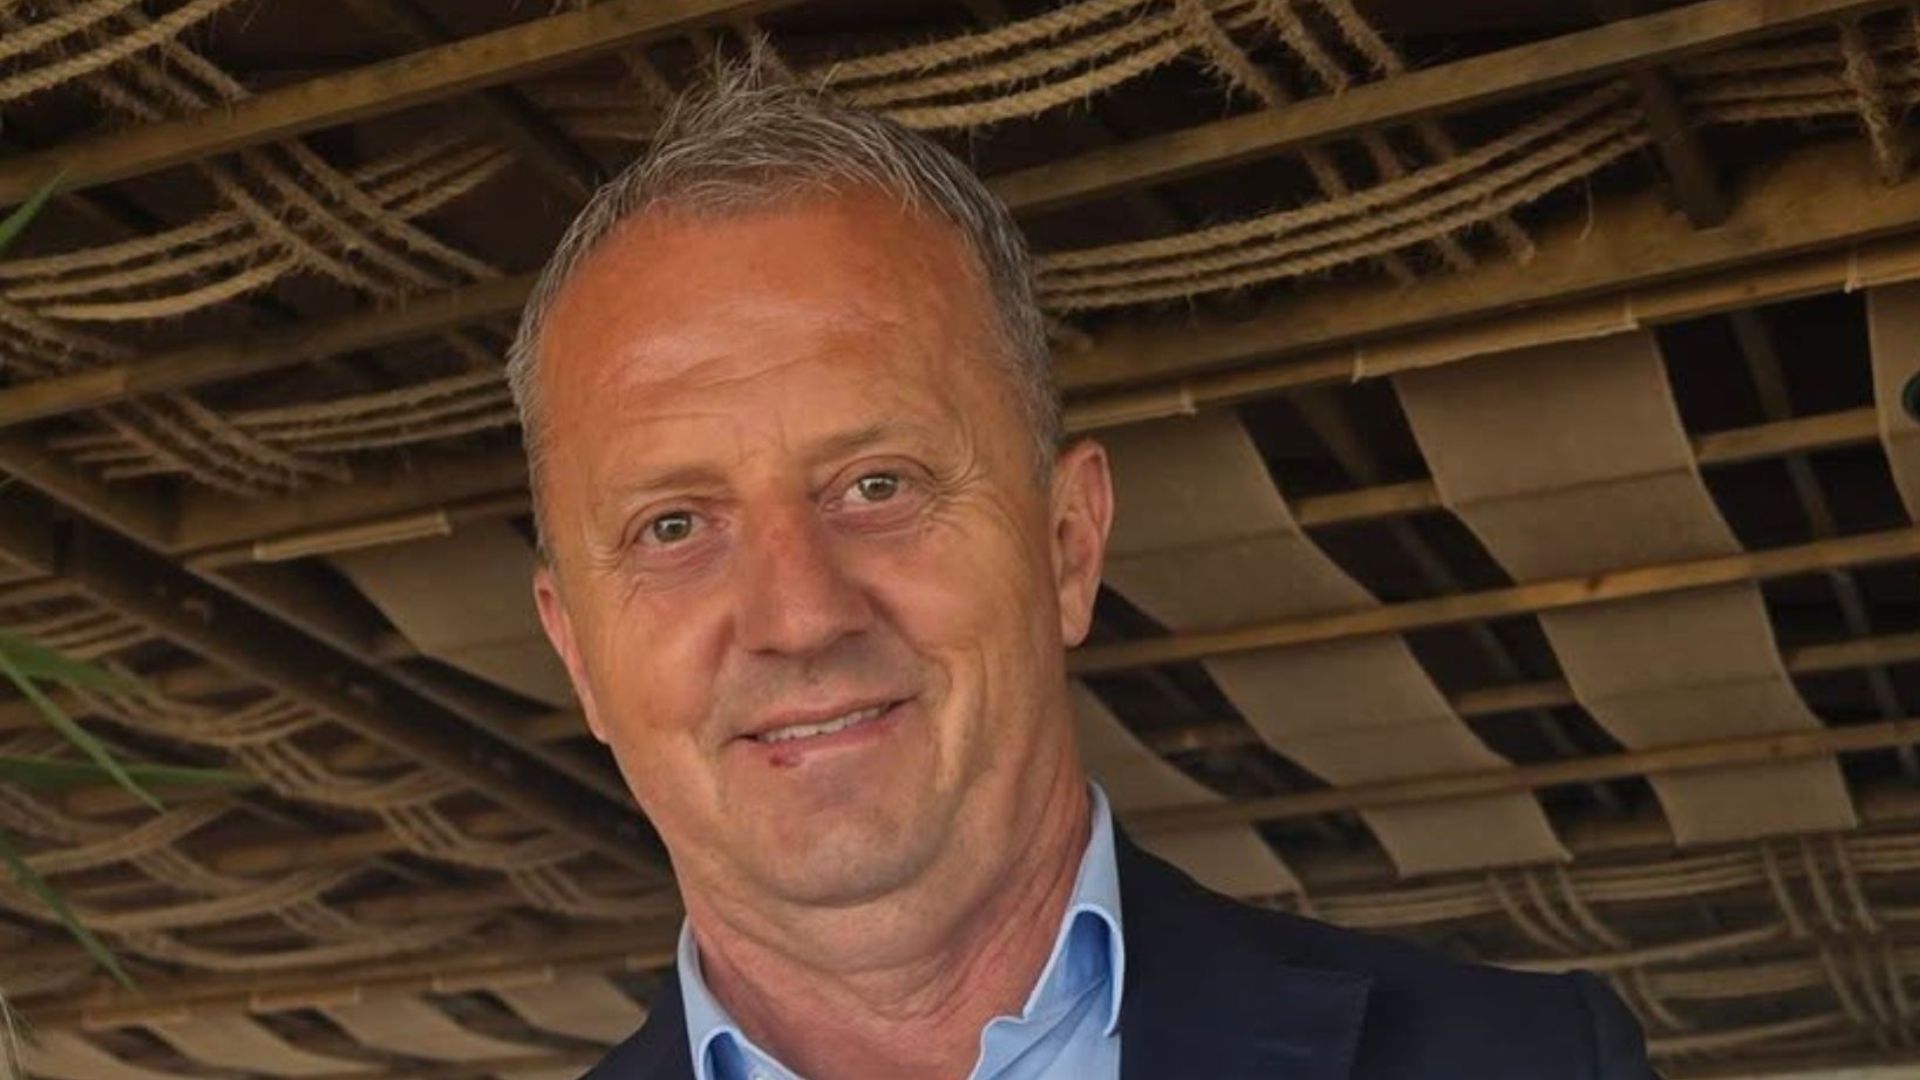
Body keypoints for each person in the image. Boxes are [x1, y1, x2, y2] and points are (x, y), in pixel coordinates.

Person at [509, 66, 1657, 1080]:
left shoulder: (1531, 1064)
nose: (801, 615)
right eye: (672, 526)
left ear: (1068, 545)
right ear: (578, 655)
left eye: (878, 484)